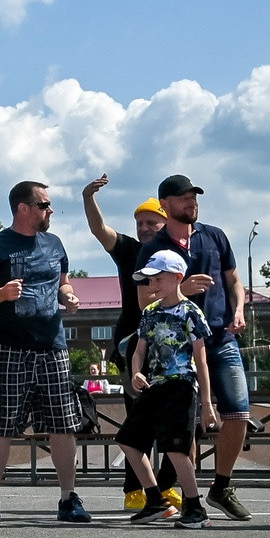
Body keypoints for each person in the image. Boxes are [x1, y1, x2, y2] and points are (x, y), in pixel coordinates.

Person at [0, 181, 91, 524]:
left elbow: (63, 282)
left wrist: (68, 296)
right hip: (10, 347)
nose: (50, 210)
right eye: (43, 205)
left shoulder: (55, 244)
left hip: (53, 347)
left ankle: (68, 497)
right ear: (23, 208)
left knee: (63, 423)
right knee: (1, 423)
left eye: (49, 205)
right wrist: (2, 294)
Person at [141, 175, 254, 519]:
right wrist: (181, 290)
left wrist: (239, 309)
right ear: (165, 204)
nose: (192, 202)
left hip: (221, 338)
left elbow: (234, 280)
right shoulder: (154, 248)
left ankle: (222, 486)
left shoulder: (214, 236)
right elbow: (142, 300)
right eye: (183, 197)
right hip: (178, 351)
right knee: (185, 424)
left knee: (239, 413)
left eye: (194, 196)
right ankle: (191, 498)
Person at [82, 178, 186, 511]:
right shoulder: (129, 249)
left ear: (166, 222)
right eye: (139, 223)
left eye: (151, 222)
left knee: (177, 419)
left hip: (173, 350)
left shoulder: (178, 253)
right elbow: (99, 230)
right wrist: (88, 197)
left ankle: (167, 485)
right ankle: (135, 488)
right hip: (132, 347)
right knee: (139, 419)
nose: (144, 228)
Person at [118, 250, 215, 528]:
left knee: (176, 448)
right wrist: (136, 372)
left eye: (159, 279)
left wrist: (207, 403)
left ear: (177, 277)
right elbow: (139, 349)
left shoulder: (191, 312)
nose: (153, 285)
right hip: (154, 386)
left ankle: (195, 508)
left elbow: (201, 360)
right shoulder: (150, 312)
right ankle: (155, 501)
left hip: (181, 386)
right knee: (128, 440)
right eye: (150, 280)